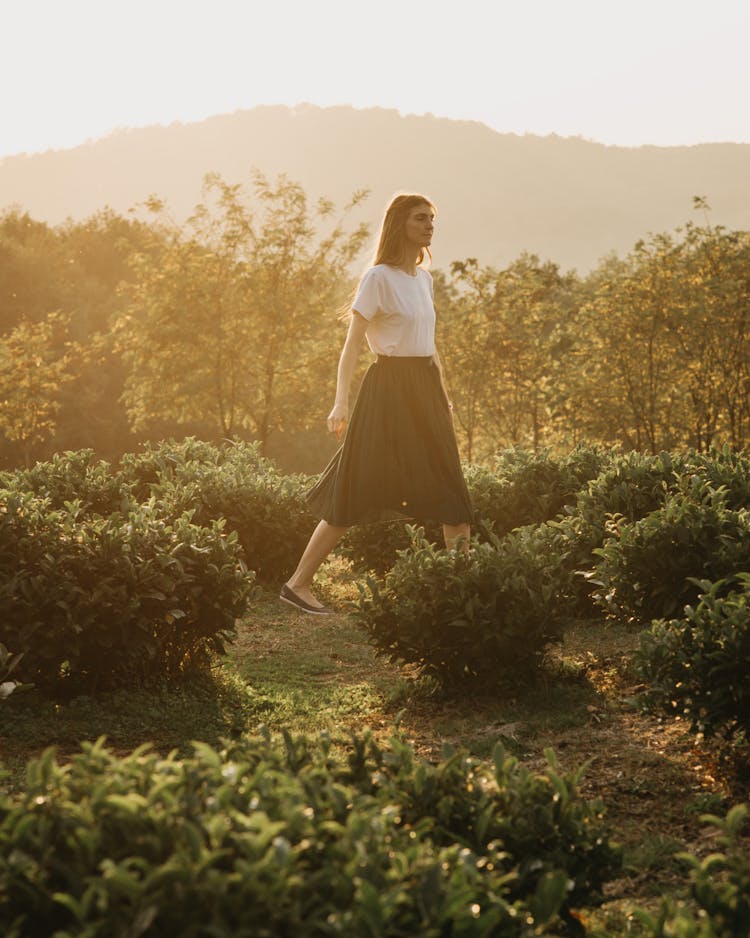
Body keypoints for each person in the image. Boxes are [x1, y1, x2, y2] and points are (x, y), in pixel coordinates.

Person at [279, 193, 473, 615]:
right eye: (421, 218)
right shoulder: (378, 278)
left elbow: (430, 344)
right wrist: (339, 403)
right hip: (387, 389)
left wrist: (443, 396)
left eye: (432, 219)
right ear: (399, 224)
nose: (429, 226)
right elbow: (351, 347)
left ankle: (464, 589)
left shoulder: (425, 280)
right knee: (356, 485)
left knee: (451, 488)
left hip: (426, 386)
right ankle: (298, 583)